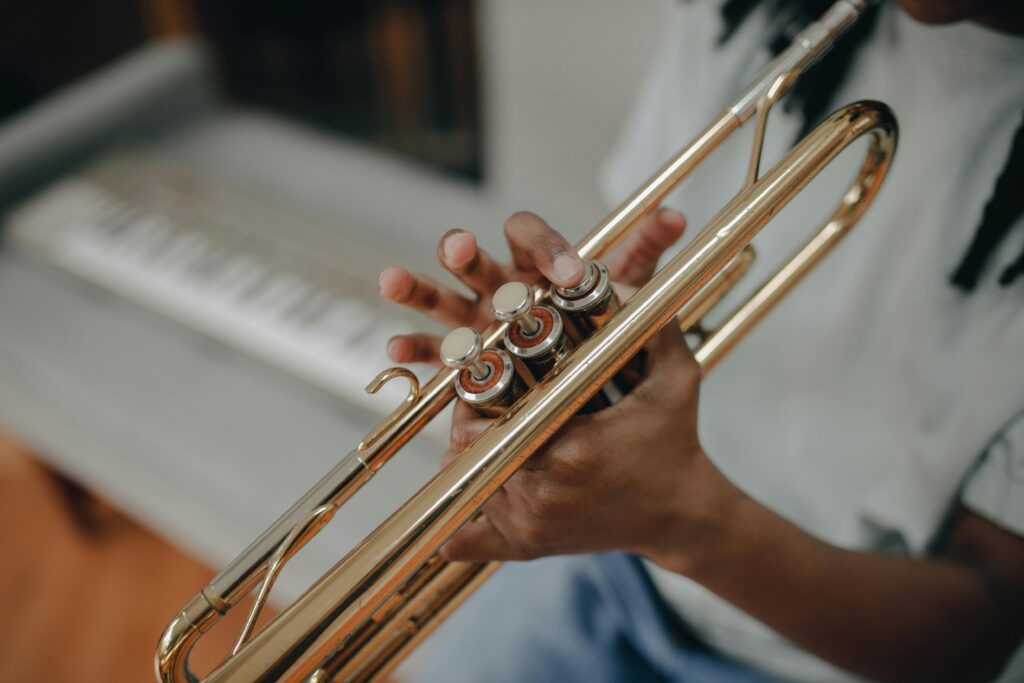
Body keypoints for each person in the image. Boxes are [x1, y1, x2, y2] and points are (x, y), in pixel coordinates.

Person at [376, 1, 1024, 681]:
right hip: (614, 563)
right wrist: (561, 346)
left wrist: (685, 518)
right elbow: (637, 263)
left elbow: (982, 635)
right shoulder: (750, 15)